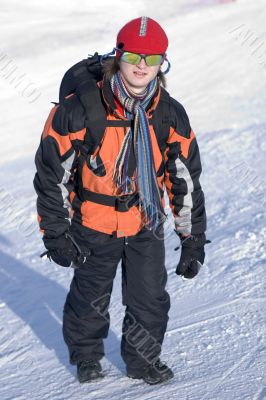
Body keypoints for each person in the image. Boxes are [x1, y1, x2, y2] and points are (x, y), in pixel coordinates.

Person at [33, 16, 207, 385]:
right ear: (118, 56)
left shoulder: (169, 115)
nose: (142, 66)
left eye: (152, 58)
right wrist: (56, 234)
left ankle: (143, 361)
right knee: (90, 297)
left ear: (163, 63)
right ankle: (86, 355)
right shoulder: (79, 110)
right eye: (134, 58)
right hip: (93, 222)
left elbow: (185, 181)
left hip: (145, 221)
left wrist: (191, 238)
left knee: (149, 299)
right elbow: (51, 176)